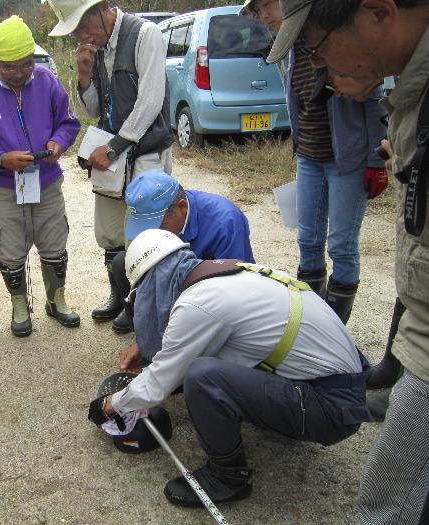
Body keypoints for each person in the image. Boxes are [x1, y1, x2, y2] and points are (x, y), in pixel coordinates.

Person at [267, 1, 429, 523]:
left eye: (315, 44)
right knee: (310, 245)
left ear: (378, 13)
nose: (314, 60)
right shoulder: (413, 91)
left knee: (392, 499)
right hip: (312, 155)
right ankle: (321, 337)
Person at [89, 229, 371, 509]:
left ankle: (228, 477)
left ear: (153, 284)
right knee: (200, 369)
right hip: (341, 385)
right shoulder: (225, 273)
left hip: (331, 409)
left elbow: (157, 384)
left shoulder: (197, 304)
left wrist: (111, 405)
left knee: (202, 376)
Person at [241, 0, 388, 325]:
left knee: (341, 245)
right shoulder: (289, 49)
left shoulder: (336, 37)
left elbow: (375, 95)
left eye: (267, 4)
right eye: (258, 10)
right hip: (308, 156)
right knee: (307, 240)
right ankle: (310, 323)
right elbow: (298, 103)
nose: (263, 14)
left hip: (345, 160)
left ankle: (333, 327)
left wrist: (375, 160)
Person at [46, 0, 174, 330]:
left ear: (103, 8)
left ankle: (141, 308)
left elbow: (150, 101)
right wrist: (85, 74)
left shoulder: (147, 35)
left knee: (145, 235)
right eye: (74, 32)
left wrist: (115, 147)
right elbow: (92, 110)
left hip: (144, 153)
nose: (81, 36)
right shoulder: (98, 46)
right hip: (111, 153)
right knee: (110, 231)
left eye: (83, 26)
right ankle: (119, 297)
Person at [0, 16, 81, 337]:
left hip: (45, 178)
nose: (19, 72)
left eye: (26, 64)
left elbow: (69, 122)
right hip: (4, 186)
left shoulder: (48, 81)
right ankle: (19, 303)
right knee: (11, 248)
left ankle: (56, 300)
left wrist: (59, 142)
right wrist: (1, 159)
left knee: (55, 243)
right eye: (9, 66)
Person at [111, 169, 255, 337]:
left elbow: (231, 288)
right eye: (144, 225)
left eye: (158, 224)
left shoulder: (225, 221)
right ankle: (145, 337)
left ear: (182, 207)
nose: (152, 232)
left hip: (210, 292)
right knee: (121, 262)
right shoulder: (163, 213)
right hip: (178, 283)